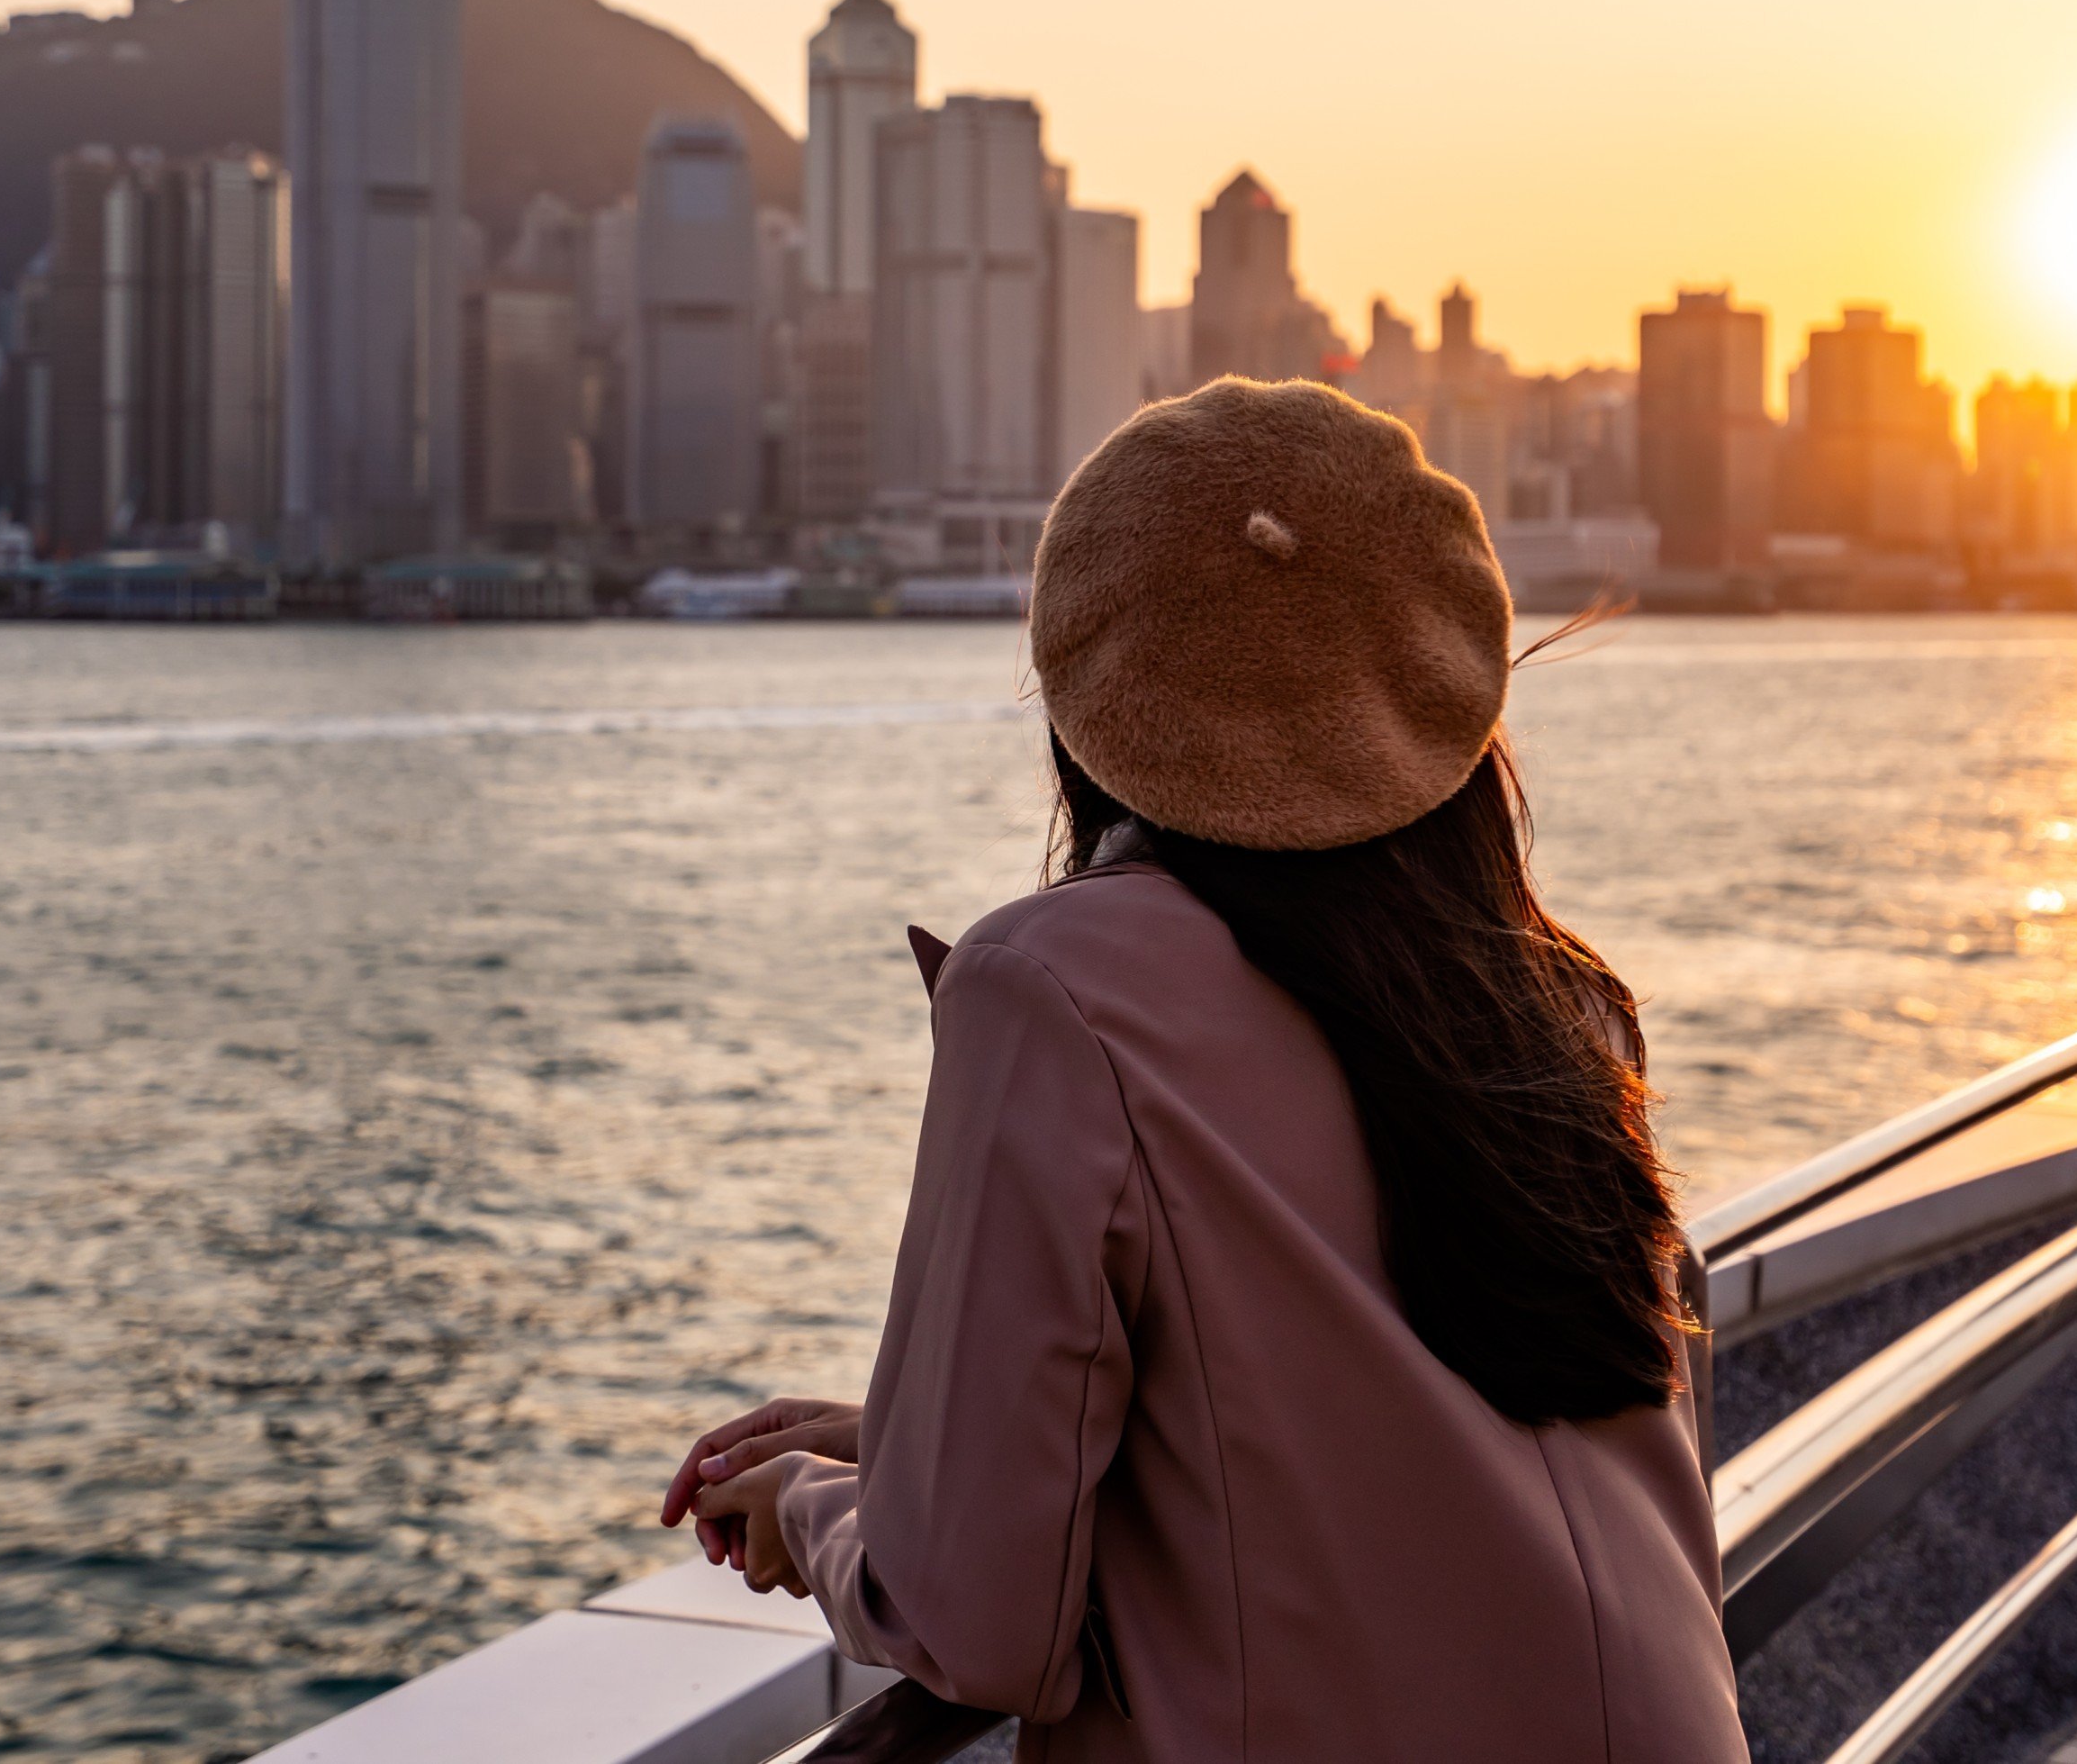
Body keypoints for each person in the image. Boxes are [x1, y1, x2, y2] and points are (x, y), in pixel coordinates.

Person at [663, 376, 1747, 1761]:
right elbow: (1375, 1433)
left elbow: (976, 1618)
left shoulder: (1051, 994)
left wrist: (814, 1510)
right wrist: (915, 1439)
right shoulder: (1559, 1009)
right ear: (1432, 712)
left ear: (1086, 713)